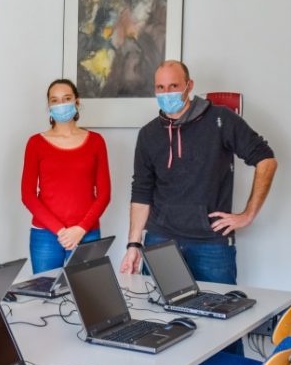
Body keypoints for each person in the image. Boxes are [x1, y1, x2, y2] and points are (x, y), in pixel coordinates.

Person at [120, 60, 276, 284]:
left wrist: (248, 215)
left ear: (189, 85)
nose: (167, 93)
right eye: (160, 88)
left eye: (173, 86)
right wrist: (133, 244)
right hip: (160, 241)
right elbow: (141, 191)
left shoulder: (220, 119)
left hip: (211, 244)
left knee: (220, 313)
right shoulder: (148, 134)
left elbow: (266, 159)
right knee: (158, 314)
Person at [21, 79, 111, 274]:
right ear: (49, 106)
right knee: (45, 296)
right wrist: (61, 231)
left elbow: (104, 194)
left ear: (77, 102)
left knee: (87, 295)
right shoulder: (35, 143)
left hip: (86, 233)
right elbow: (28, 195)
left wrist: (80, 229)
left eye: (67, 99)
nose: (61, 105)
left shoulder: (96, 142)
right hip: (46, 235)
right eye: (55, 100)